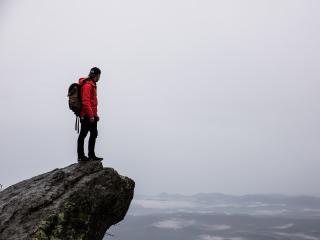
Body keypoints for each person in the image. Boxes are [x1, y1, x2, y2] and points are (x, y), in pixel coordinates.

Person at [77, 67, 103, 162]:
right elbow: (85, 101)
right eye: (99, 75)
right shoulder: (88, 85)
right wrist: (91, 115)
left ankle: (91, 155)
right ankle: (81, 156)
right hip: (86, 115)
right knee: (83, 134)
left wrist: (95, 115)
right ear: (97, 75)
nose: (100, 77)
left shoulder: (92, 85)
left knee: (93, 134)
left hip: (91, 115)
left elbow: (92, 103)